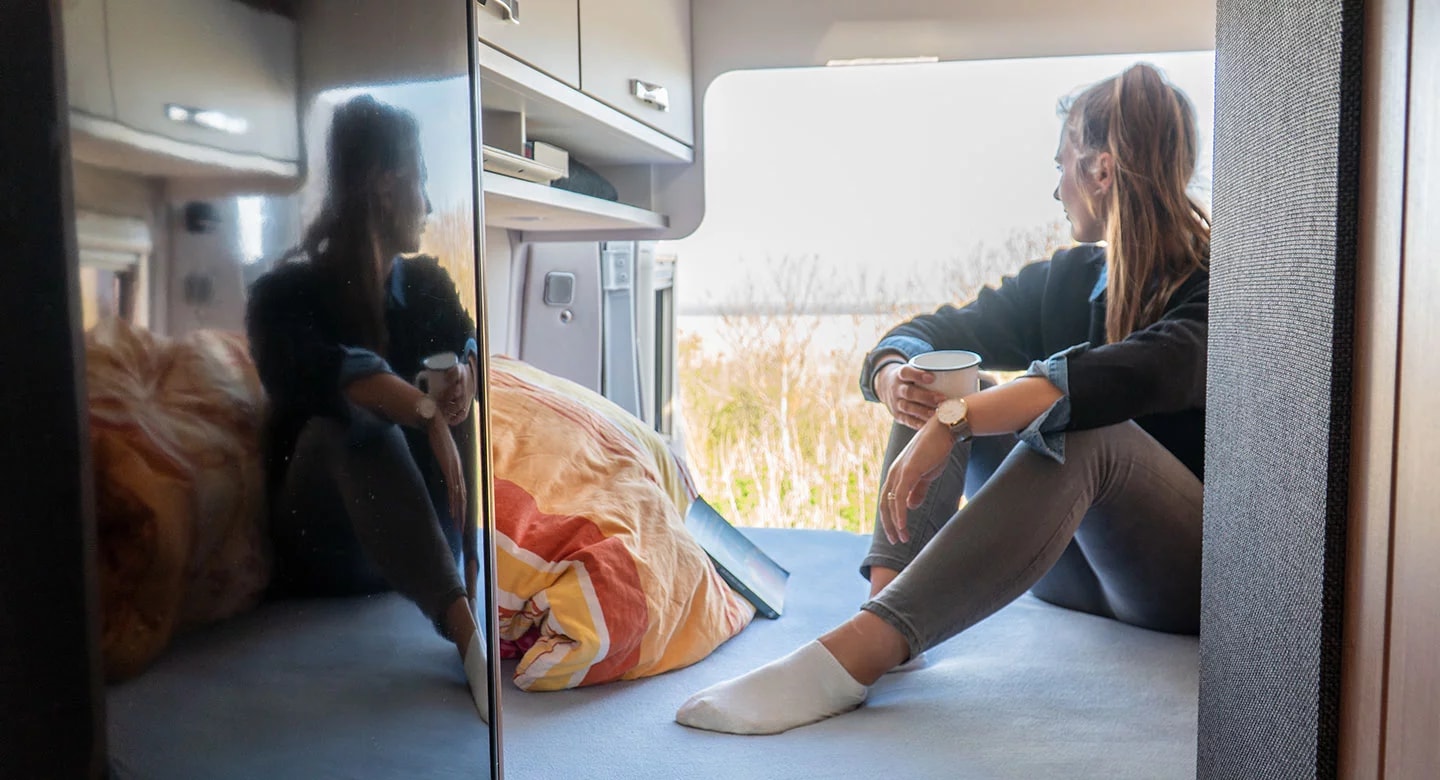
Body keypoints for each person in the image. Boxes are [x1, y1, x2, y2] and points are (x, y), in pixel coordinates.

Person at [676, 63, 1209, 735]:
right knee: (940, 372)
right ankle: (892, 613)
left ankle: (859, 654)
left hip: (1172, 578)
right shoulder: (1072, 279)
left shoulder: (1217, 286)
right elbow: (931, 334)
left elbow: (1125, 378)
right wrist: (895, 374)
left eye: (1063, 166)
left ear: (1100, 171)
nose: (1056, 188)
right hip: (1069, 570)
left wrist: (959, 420)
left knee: (1083, 426)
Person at [245, 94, 488, 721]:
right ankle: (468, 638)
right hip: (323, 549)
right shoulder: (285, 295)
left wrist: (458, 378)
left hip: (416, 547)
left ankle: (473, 585)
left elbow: (467, 342)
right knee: (353, 424)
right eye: (422, 182)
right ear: (385, 182)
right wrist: (418, 411)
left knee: (458, 399)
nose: (430, 204)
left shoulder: (428, 285)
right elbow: (321, 372)